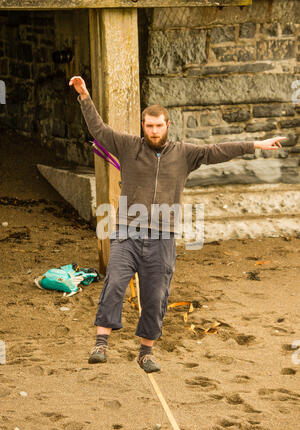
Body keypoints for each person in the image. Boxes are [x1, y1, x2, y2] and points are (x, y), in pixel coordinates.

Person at [69, 75, 286, 373]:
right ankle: (101, 343)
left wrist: (256, 144)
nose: (154, 130)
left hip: (163, 235)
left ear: (168, 126)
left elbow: (218, 150)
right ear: (143, 126)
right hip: (126, 232)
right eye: (149, 125)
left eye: (159, 126)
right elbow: (98, 128)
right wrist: (83, 95)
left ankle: (146, 352)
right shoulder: (128, 146)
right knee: (115, 283)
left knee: (156, 293)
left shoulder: (185, 154)